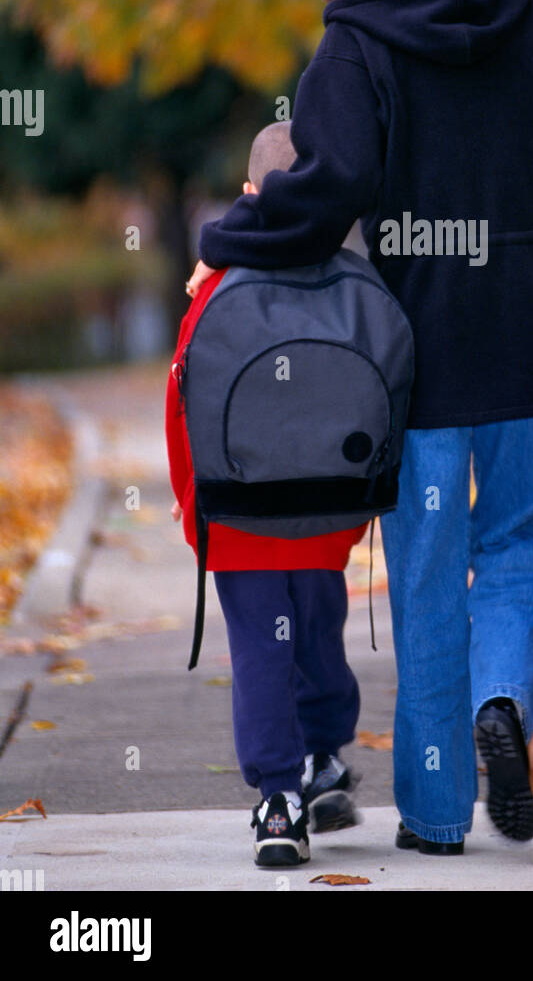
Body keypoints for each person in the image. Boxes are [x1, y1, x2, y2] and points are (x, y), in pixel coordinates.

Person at [187, 0, 533, 855]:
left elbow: (329, 185)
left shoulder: (354, 43)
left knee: (427, 577)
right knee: (521, 546)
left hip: (410, 350)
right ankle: (502, 699)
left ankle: (437, 817)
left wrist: (226, 237)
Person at [166, 121, 367, 868]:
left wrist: (199, 516)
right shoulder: (348, 278)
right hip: (322, 513)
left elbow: (181, 406)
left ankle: (278, 799)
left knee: (261, 648)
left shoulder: (214, 284)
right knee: (318, 632)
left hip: (241, 514)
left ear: (249, 193)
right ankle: (324, 755)